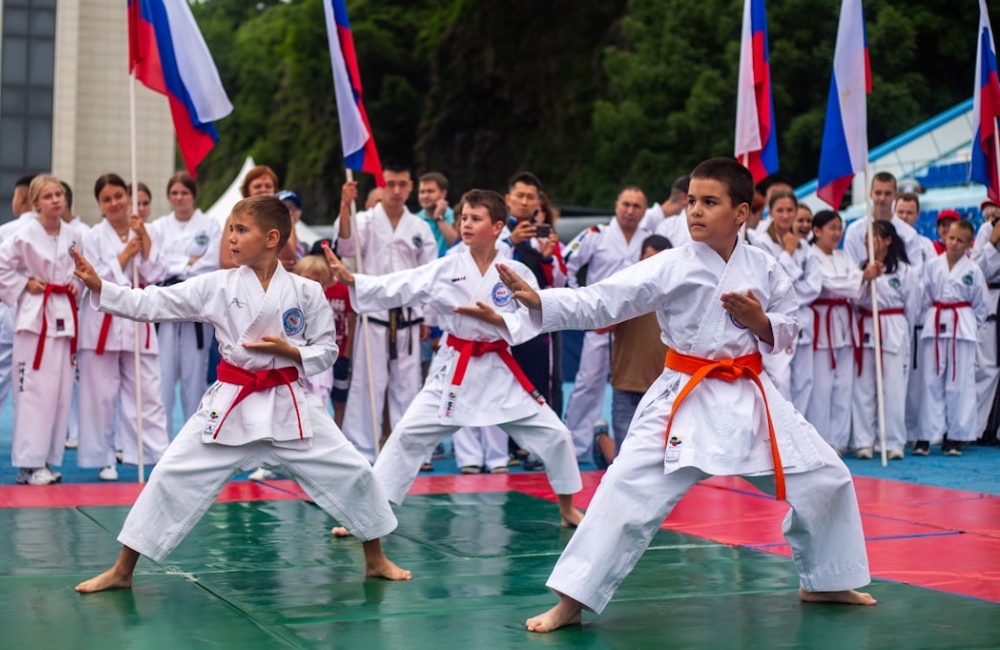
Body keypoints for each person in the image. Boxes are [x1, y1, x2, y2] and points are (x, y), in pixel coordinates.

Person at [497, 158, 873, 634]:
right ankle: (572, 600)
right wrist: (543, 300)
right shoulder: (673, 263)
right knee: (623, 490)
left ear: (741, 212)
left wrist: (760, 322)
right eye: (692, 200)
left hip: (750, 397)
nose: (695, 210)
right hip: (683, 397)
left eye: (709, 202)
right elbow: (605, 299)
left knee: (827, 478)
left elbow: (790, 323)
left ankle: (825, 581)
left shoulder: (763, 266)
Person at [72, 195, 410, 593]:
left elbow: (327, 350)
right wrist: (102, 287)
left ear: (271, 238)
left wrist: (292, 352)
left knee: (353, 470)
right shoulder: (217, 284)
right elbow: (154, 301)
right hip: (232, 402)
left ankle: (375, 558)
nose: (230, 238)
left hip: (288, 403)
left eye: (240, 230)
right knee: (169, 475)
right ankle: (122, 570)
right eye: (231, 229)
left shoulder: (305, 291)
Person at [325, 189, 584, 527]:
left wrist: (497, 320)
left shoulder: (516, 270)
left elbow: (534, 315)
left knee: (556, 434)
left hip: (497, 368)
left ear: (497, 227)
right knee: (406, 434)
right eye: (464, 218)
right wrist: (354, 281)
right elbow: (403, 283)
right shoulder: (447, 266)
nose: (466, 224)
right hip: (454, 368)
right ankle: (370, 515)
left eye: (476, 219)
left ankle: (567, 508)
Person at [334, 160, 437, 461]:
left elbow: (430, 275)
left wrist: (427, 317)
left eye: (402, 184)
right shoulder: (364, 220)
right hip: (374, 317)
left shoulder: (420, 228)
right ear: (381, 185)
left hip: (408, 318)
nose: (396, 190)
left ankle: (408, 453)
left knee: (408, 387)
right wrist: (344, 206)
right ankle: (362, 450)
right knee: (368, 384)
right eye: (390, 184)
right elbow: (346, 248)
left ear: (411, 187)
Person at [76, 174, 170, 480]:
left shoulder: (145, 230)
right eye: (107, 199)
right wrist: (126, 254)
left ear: (128, 197)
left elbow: (157, 273)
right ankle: (104, 458)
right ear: (100, 204)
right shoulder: (91, 236)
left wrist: (142, 238)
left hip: (136, 319)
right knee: (100, 395)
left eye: (119, 196)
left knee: (147, 392)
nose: (114, 203)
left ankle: (153, 454)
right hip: (101, 320)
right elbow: (93, 279)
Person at [0, 175, 84, 485]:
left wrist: (76, 285)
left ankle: (46, 461)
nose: (56, 200)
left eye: (59, 194)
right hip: (34, 320)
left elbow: (83, 271)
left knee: (60, 393)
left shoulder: (74, 235)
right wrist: (24, 283)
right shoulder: (24, 235)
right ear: (35, 203)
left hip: (64, 316)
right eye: (48, 196)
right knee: (34, 392)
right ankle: (28, 465)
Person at [561, 186, 652, 460]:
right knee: (588, 383)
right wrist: (580, 300)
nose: (630, 211)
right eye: (626, 204)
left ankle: (627, 447)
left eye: (636, 206)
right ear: (616, 205)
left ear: (644, 211)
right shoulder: (596, 234)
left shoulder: (648, 239)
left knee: (631, 385)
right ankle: (575, 448)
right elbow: (566, 263)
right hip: (601, 321)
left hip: (635, 327)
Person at [146, 172, 222, 437]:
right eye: (174, 193)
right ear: (169, 196)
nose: (179, 198)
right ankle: (162, 442)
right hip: (166, 306)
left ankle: (193, 441)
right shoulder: (157, 227)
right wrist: (186, 263)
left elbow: (211, 264)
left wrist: (176, 265)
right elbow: (155, 265)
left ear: (193, 195)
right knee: (163, 379)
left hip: (196, 308)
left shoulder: (210, 225)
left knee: (195, 378)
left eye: (184, 193)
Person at [592, 234, 671, 468]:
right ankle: (602, 440)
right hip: (628, 384)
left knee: (661, 459)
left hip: (665, 387)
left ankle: (601, 439)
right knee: (624, 461)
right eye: (649, 260)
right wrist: (629, 299)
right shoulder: (625, 287)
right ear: (639, 259)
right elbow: (599, 328)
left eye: (660, 261)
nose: (653, 266)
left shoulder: (680, 291)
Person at [806, 210, 880, 452]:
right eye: (832, 228)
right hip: (822, 325)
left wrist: (867, 277)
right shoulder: (810, 256)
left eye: (839, 228)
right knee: (822, 386)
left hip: (846, 324)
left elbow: (857, 284)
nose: (837, 233)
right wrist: (862, 278)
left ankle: (838, 440)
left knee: (843, 386)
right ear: (817, 231)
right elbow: (827, 283)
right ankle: (820, 442)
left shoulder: (843, 257)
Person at [913, 219, 988, 456]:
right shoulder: (932, 265)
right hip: (935, 325)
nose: (954, 243)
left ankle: (955, 437)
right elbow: (924, 298)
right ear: (945, 238)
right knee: (930, 382)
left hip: (961, 328)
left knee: (960, 384)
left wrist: (968, 324)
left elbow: (981, 305)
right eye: (951, 238)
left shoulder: (973, 270)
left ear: (969, 244)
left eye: (960, 240)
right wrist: (932, 317)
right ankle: (925, 437)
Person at [850, 220, 921, 460]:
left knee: (894, 388)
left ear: (888, 240)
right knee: (864, 387)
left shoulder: (904, 271)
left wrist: (900, 329)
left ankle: (893, 441)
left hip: (893, 327)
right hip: (866, 326)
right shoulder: (860, 269)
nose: (867, 242)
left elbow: (912, 306)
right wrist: (866, 277)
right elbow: (853, 299)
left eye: (874, 237)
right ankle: (864, 441)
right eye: (866, 237)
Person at [747, 190, 822, 410]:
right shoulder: (759, 242)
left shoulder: (804, 246)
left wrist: (789, 288)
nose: (786, 215)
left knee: (805, 381)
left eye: (790, 210)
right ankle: (781, 426)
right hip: (774, 319)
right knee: (780, 379)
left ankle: (800, 426)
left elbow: (814, 287)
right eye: (780, 210)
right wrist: (787, 255)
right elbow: (769, 282)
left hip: (803, 320)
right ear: (771, 212)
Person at [843, 172, 924, 266]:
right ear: (870, 194)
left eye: (887, 193)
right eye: (878, 193)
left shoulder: (909, 234)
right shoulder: (854, 231)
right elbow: (849, 268)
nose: (882, 198)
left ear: (895, 195)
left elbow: (915, 269)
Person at [972, 200, 1000, 445]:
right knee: (986, 370)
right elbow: (976, 270)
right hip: (993, 302)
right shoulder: (987, 229)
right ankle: (976, 429)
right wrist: (993, 242)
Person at [416, 172, 458, 254]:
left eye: (430, 191)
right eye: (422, 192)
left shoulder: (455, 217)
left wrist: (440, 219)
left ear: (443, 194)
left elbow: (458, 245)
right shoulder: (414, 219)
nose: (425, 196)